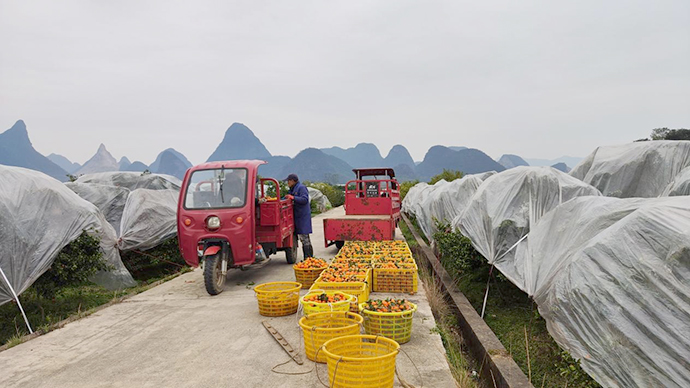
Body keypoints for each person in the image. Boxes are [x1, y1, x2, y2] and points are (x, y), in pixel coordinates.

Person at [284, 173, 313, 258]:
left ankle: (308, 258)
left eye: (288, 181)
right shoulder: (293, 189)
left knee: (305, 238)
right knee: (303, 238)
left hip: (303, 216)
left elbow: (305, 199)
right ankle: (308, 258)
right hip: (298, 216)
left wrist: (293, 198)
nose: (287, 183)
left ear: (293, 181)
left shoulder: (301, 188)